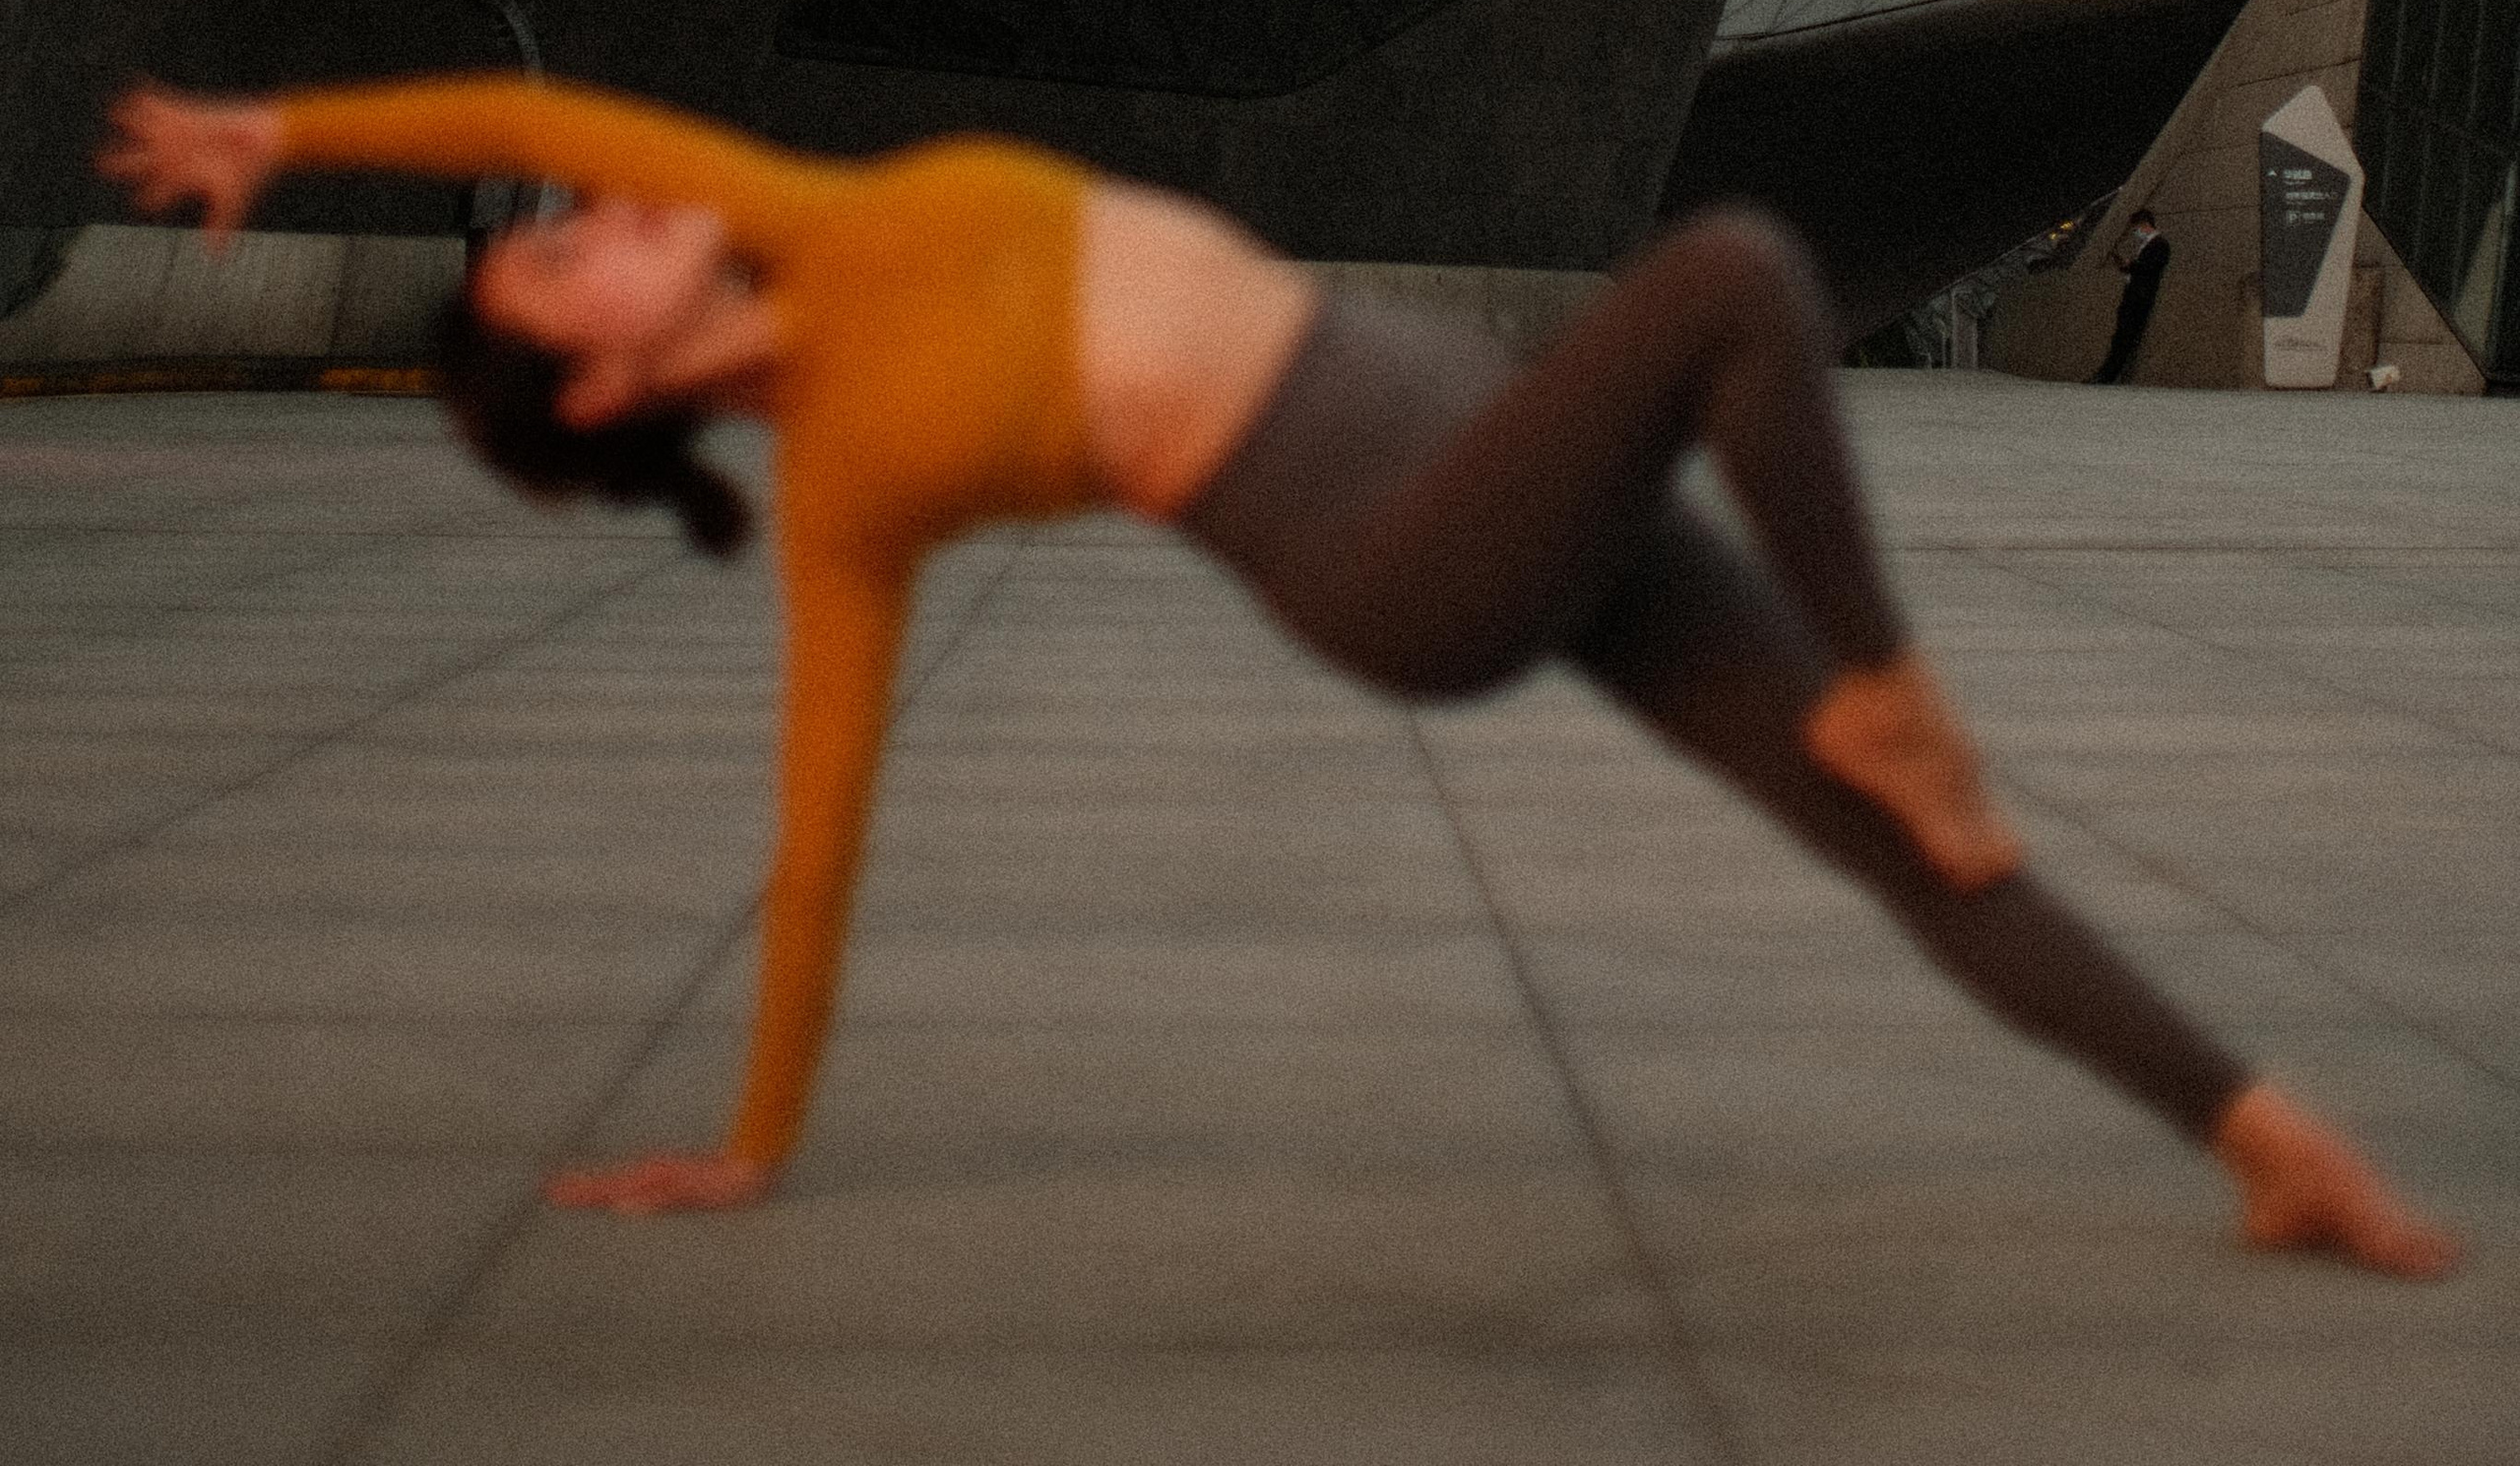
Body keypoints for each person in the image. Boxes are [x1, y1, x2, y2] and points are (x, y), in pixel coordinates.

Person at [100, 75, 2455, 1272]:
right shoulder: (843, 479)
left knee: (1915, 848)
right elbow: (817, 824)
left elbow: (517, 118)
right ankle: (1892, 672)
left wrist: (281, 130)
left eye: (576, 218)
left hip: (1492, 444)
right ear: (599, 391)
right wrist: (748, 1139)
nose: (598, 209)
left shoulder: (791, 206)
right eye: (560, 268)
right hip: (1394, 550)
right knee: (1735, 267)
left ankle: (2266, 1143)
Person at [2092, 208, 2174, 386]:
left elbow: (2151, 268)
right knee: (2120, 336)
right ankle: (2105, 373)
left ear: (2144, 224)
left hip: (2140, 297)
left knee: (2125, 337)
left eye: (2136, 228)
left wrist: (2132, 265)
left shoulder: (2159, 244)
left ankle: (2108, 375)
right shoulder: (2148, 245)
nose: (2135, 232)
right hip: (2133, 294)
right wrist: (2126, 266)